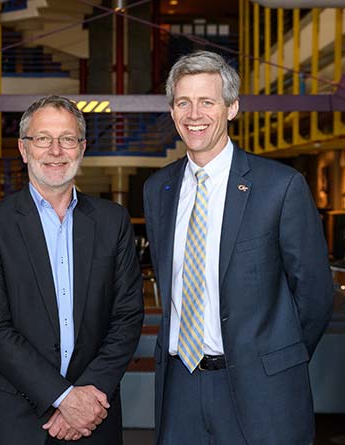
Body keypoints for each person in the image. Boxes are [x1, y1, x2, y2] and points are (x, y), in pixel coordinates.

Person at [143, 51, 334, 444]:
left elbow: (314, 295)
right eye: (183, 102)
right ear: (172, 111)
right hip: (180, 386)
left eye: (207, 101)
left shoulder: (279, 187)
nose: (194, 114)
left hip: (260, 389)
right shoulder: (156, 190)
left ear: (232, 108)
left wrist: (276, 360)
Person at [0, 95, 144, 445]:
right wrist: (64, 398)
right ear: (23, 148)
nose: (56, 150)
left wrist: (87, 398)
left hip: (94, 415)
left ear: (83, 147)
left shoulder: (112, 221)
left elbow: (127, 316)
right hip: (10, 418)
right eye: (43, 138)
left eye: (68, 139)